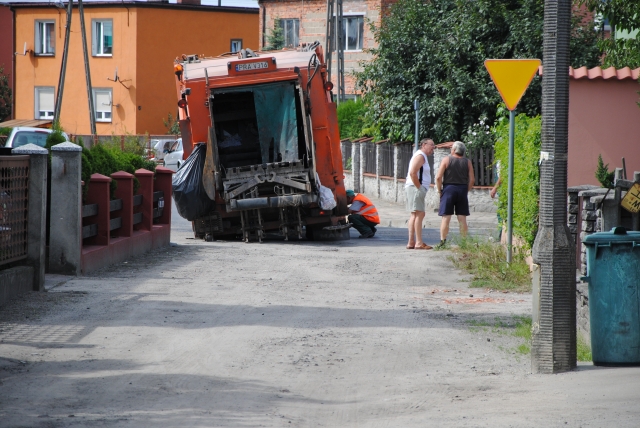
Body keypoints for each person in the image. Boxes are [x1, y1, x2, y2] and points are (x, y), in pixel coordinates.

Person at [435, 141, 475, 249]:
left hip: (448, 189)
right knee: (462, 218)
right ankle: (464, 243)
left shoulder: (446, 160)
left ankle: (443, 242)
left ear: (453, 150)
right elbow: (472, 180)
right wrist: (466, 190)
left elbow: (438, 177)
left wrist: (440, 190)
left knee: (446, 217)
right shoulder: (467, 162)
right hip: (462, 189)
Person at [405, 138, 436, 249]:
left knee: (414, 214)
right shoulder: (420, 156)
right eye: (431, 145)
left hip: (413, 187)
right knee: (419, 214)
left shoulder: (420, 155)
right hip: (415, 188)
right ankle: (418, 242)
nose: (433, 147)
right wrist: (420, 188)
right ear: (423, 145)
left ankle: (411, 242)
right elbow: (413, 172)